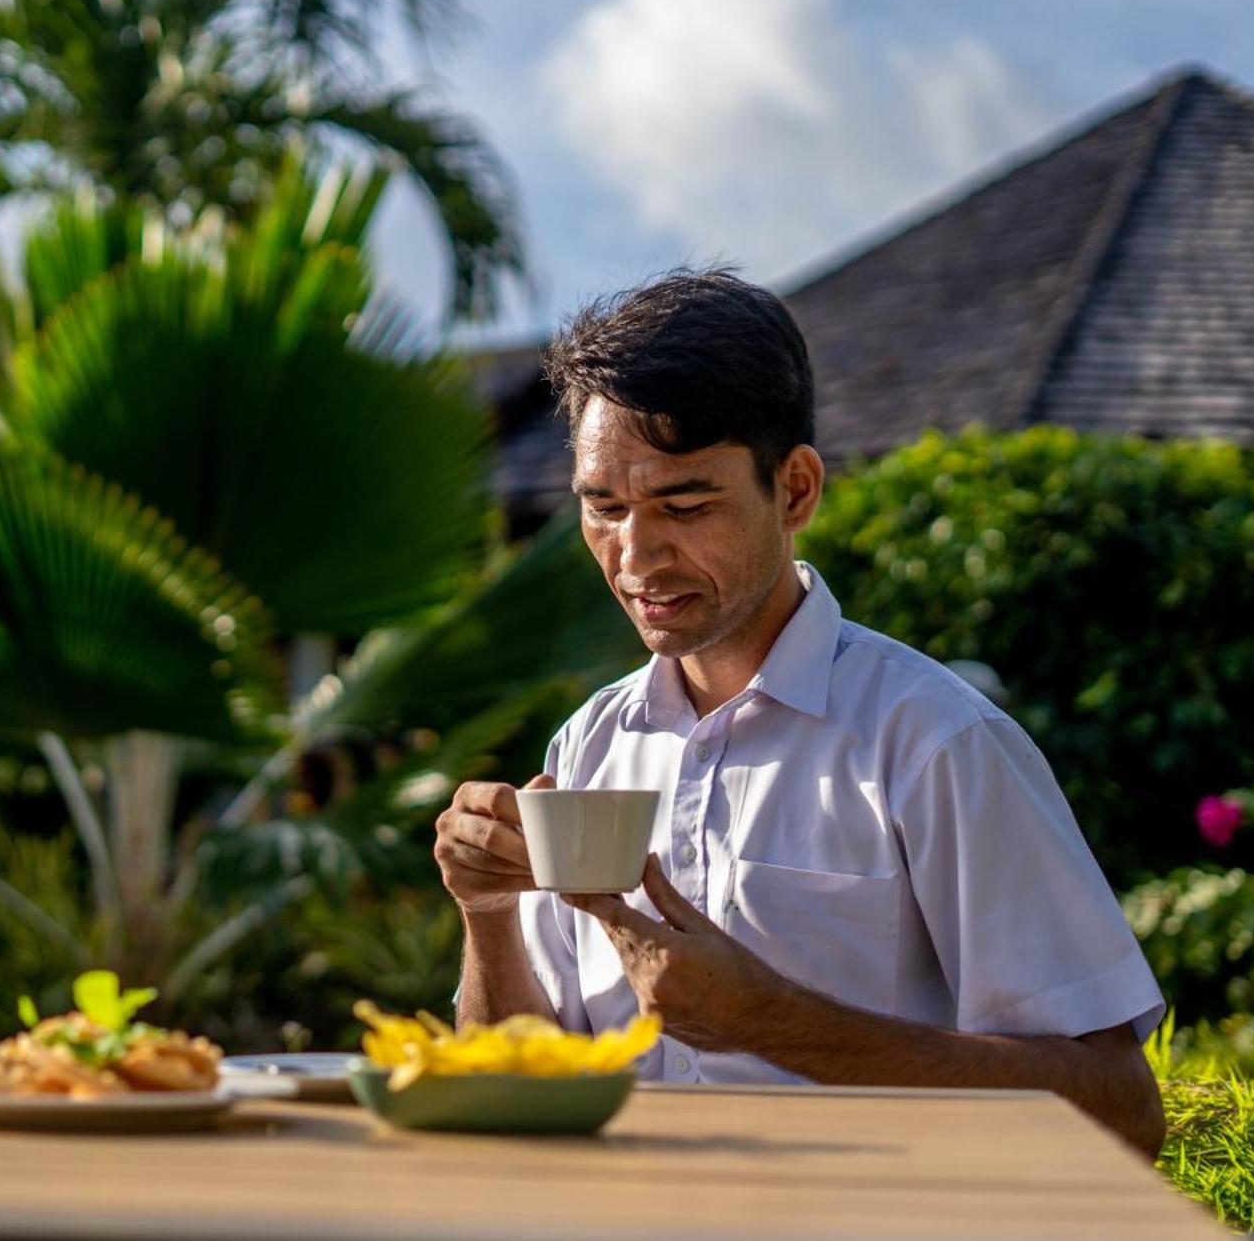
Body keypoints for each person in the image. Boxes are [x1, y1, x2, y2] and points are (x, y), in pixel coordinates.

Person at [435, 268, 1167, 1158]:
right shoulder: (588, 743)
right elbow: (518, 1095)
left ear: (796, 491)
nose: (636, 555)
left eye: (685, 503)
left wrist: (772, 1020)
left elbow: (1121, 1112)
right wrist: (486, 912)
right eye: (604, 507)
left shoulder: (934, 741)